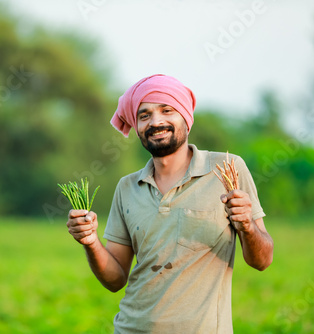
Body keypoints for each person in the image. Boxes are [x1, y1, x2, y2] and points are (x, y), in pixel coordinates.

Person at [66, 74, 274, 333]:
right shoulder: (127, 187)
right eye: (144, 115)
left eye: (167, 110)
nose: (156, 121)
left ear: (186, 117)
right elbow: (115, 278)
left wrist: (247, 226)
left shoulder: (227, 170)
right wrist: (91, 242)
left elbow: (262, 261)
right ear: (137, 125)